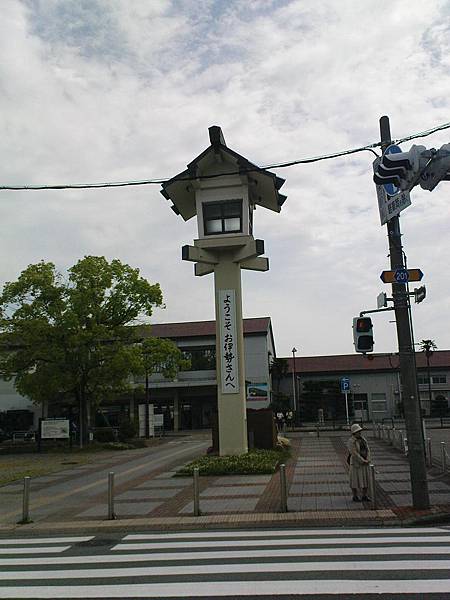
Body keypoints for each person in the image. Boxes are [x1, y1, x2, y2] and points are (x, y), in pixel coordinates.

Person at [348, 423, 371, 502]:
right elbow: (354, 453)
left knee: (365, 479)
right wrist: (362, 460)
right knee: (355, 481)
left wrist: (368, 458)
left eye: (360, 431)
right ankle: (355, 496)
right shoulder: (351, 441)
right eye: (358, 431)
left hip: (365, 463)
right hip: (356, 464)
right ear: (354, 432)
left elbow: (368, 449)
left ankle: (364, 495)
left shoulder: (363, 439)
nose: (360, 432)